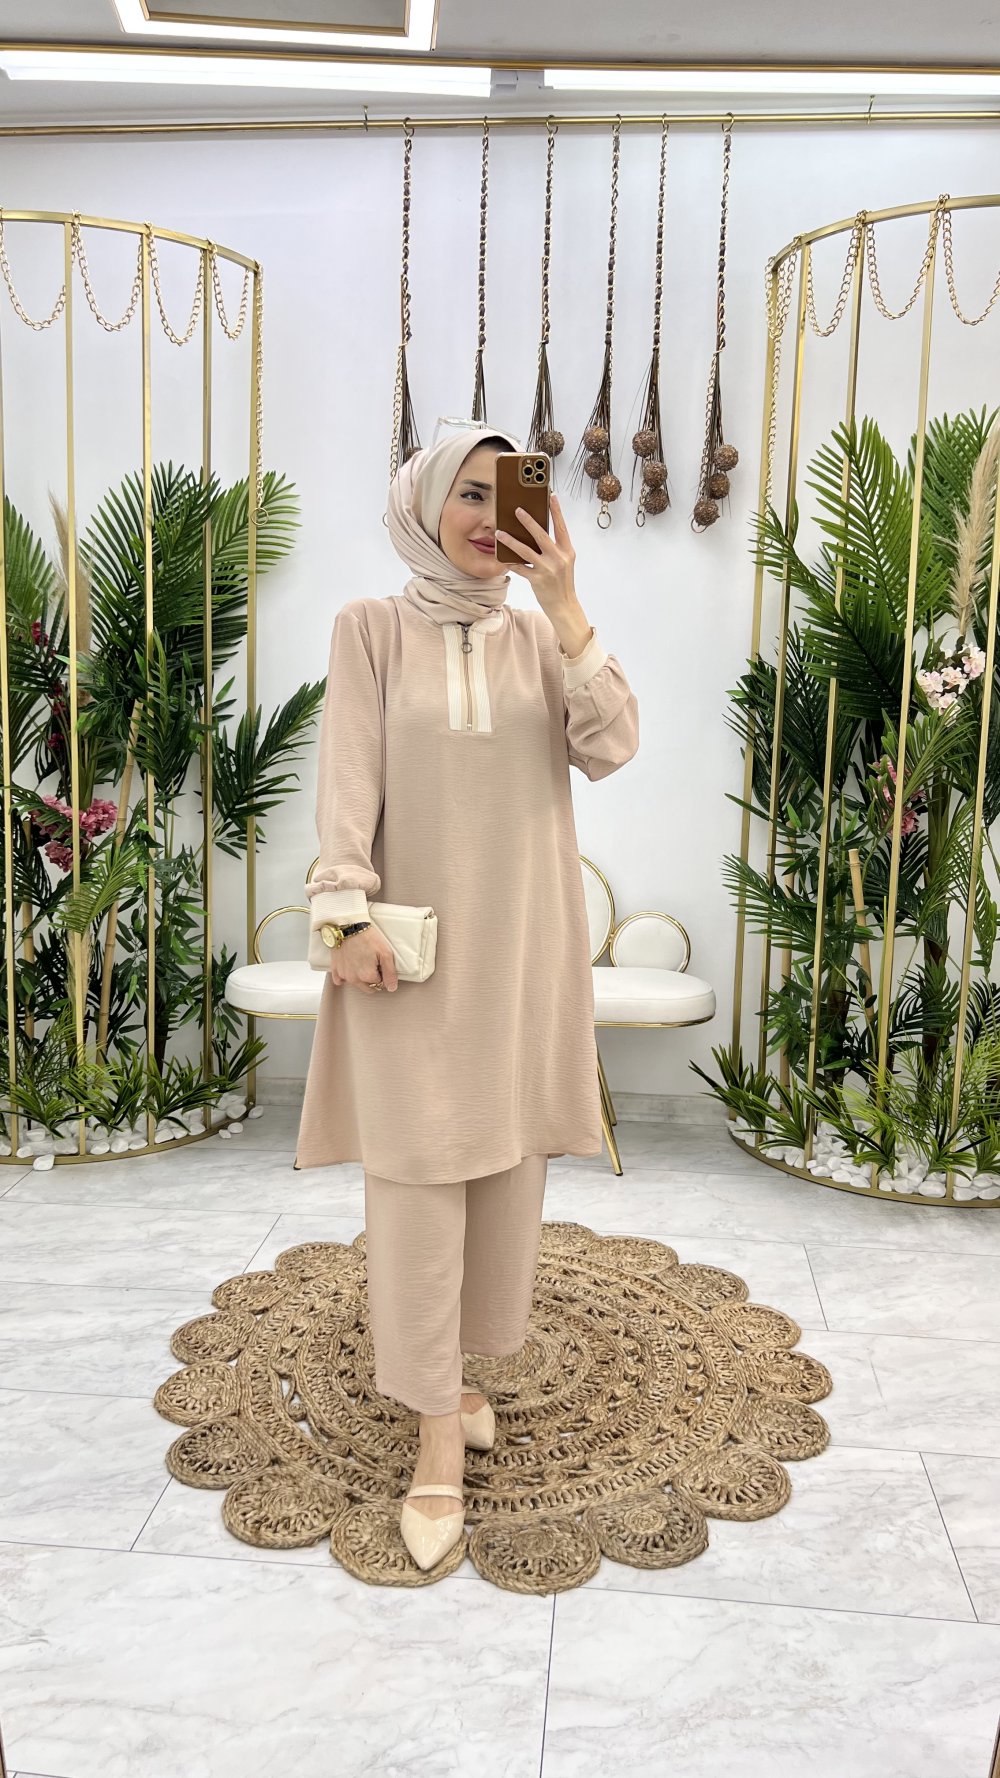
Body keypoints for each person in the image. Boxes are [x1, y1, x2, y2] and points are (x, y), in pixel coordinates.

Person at [295, 422, 639, 1569]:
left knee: (501, 1167)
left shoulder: (541, 637)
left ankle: (456, 1375)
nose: (494, 518)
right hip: (408, 956)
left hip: (522, 949)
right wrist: (341, 912)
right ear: (426, 504)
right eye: (471, 495)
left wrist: (568, 604)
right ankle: (437, 1432)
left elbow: (613, 745)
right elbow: (347, 779)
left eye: (513, 494)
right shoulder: (370, 628)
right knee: (413, 1182)